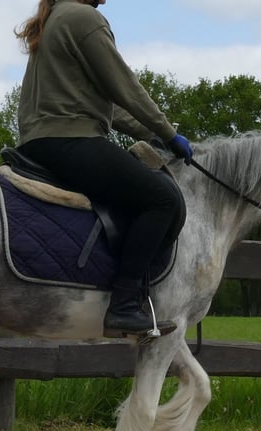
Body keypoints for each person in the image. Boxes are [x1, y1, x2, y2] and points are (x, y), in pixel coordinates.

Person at [14, 0, 193, 338]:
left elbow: (106, 108)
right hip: (70, 140)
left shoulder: (56, 18)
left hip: (40, 141)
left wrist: (153, 133)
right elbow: (126, 88)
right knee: (162, 199)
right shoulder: (84, 18)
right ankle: (125, 304)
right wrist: (169, 132)